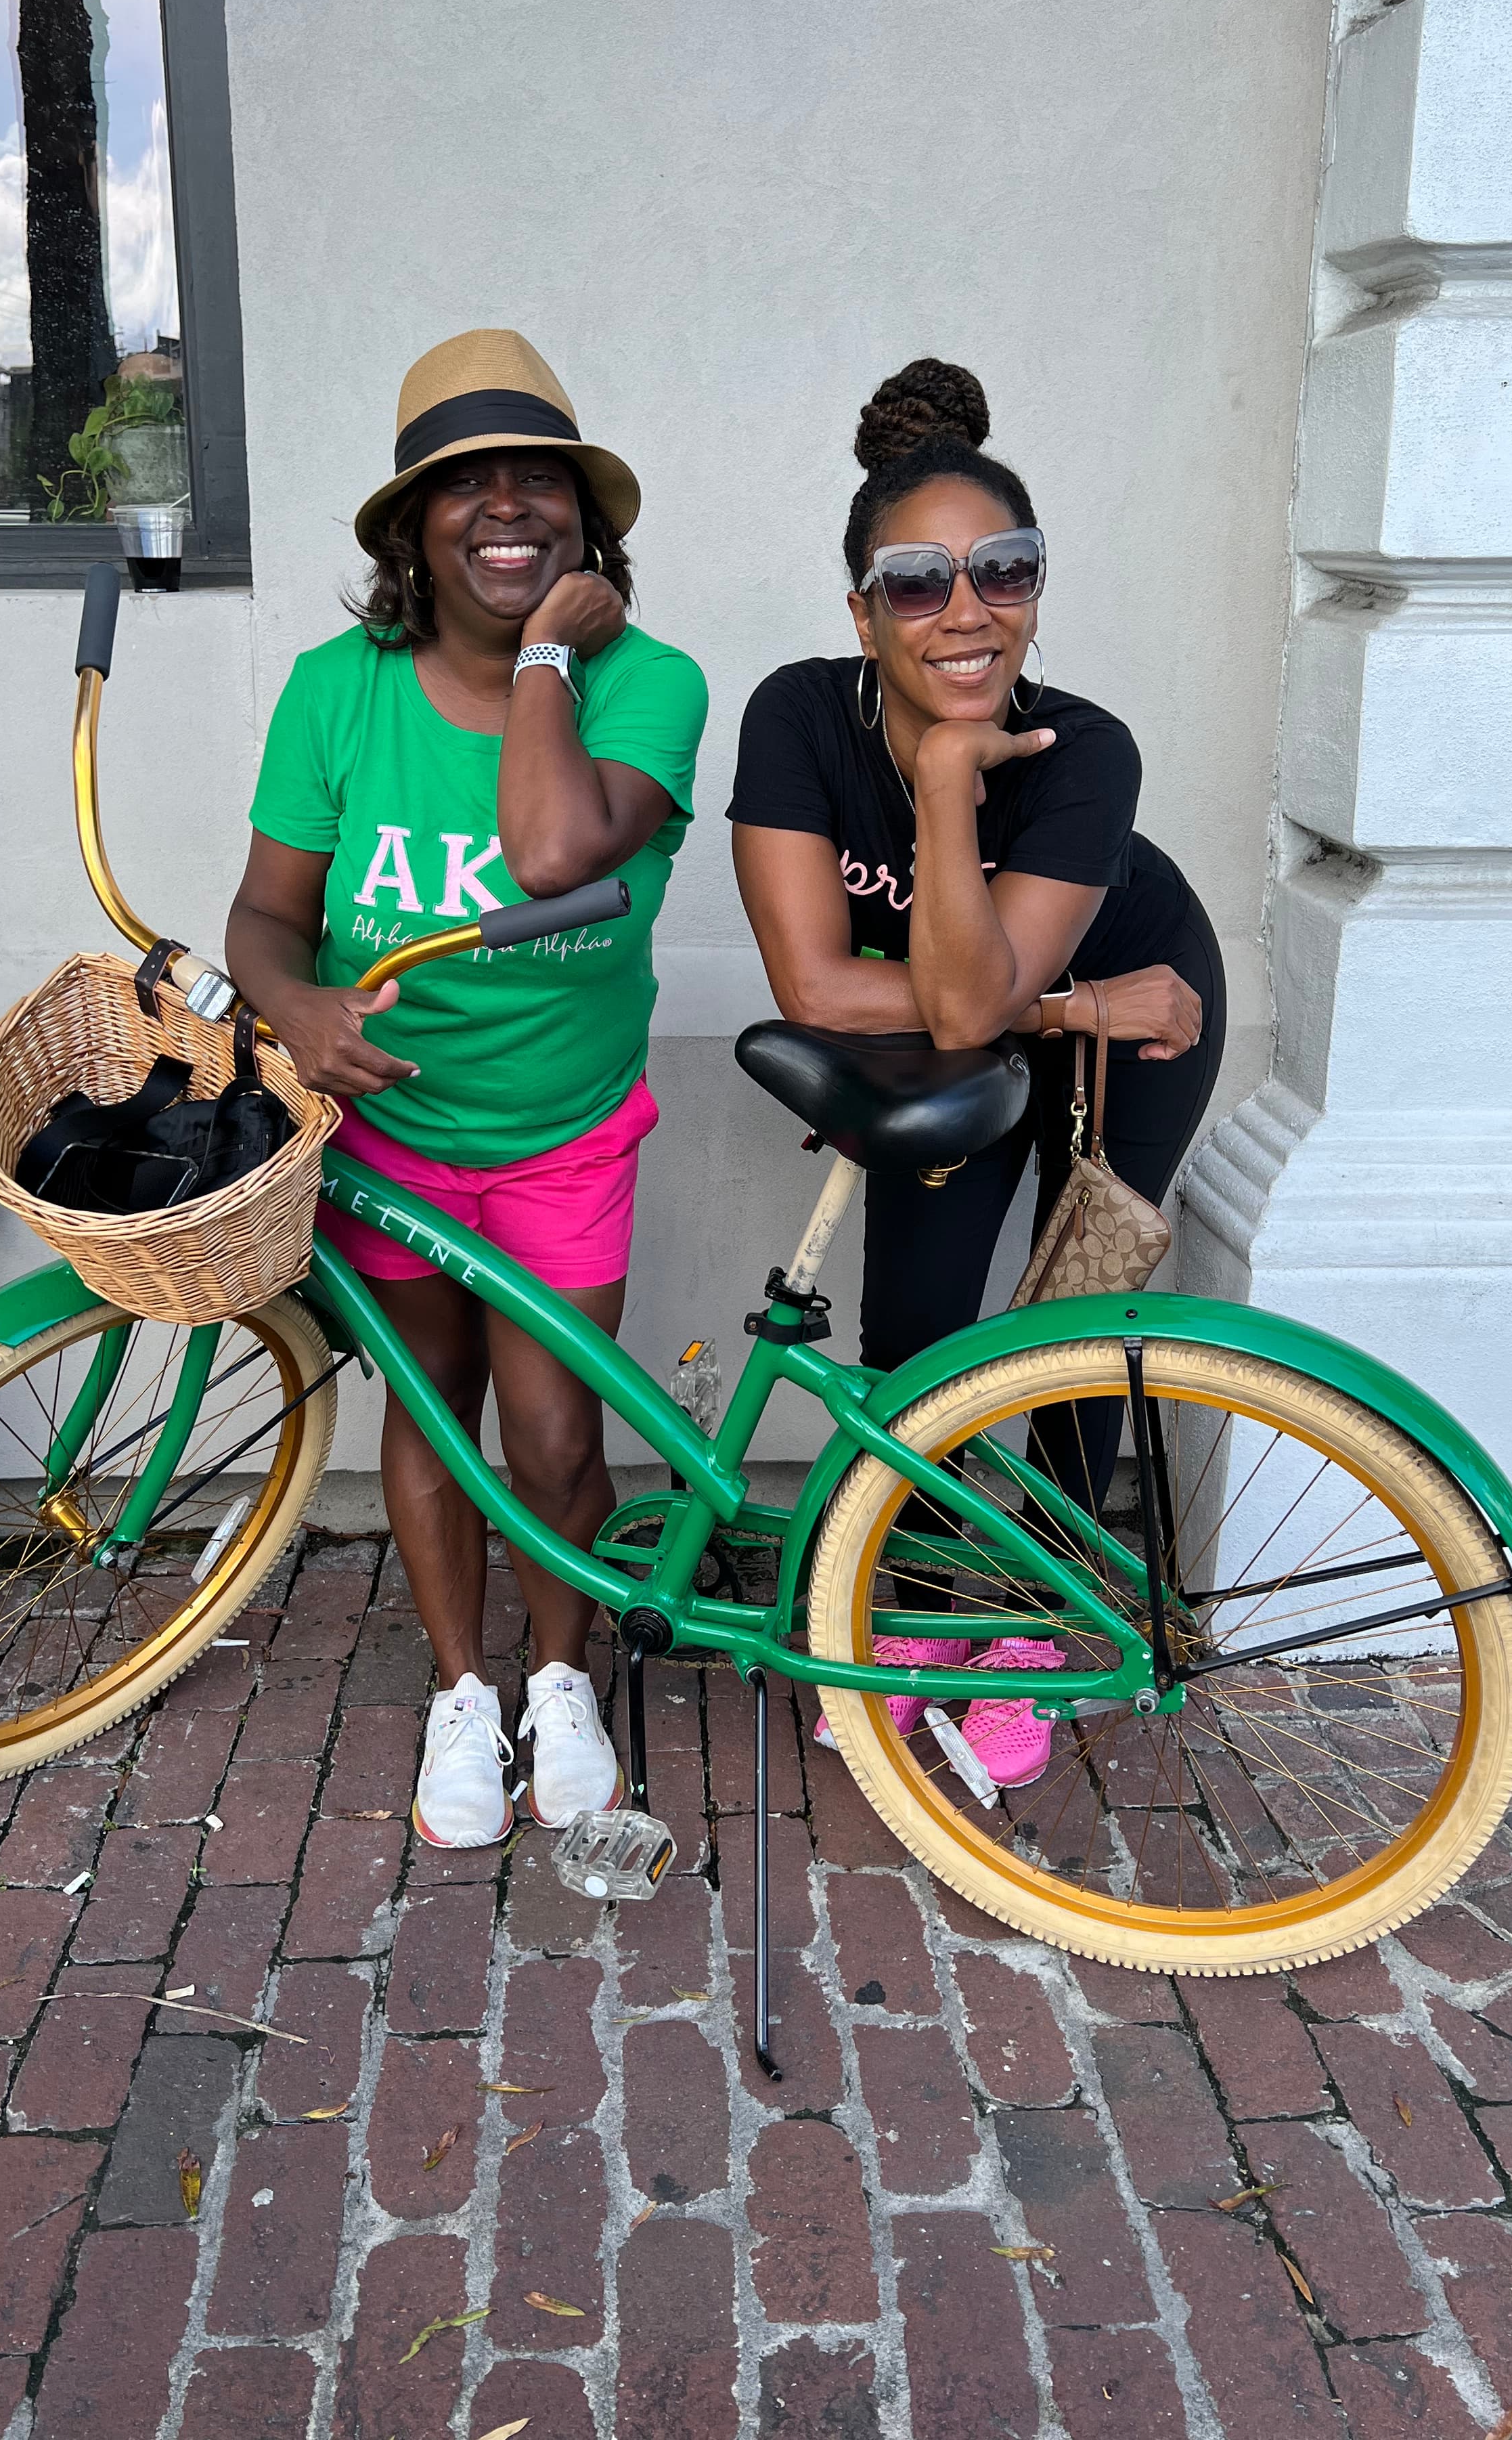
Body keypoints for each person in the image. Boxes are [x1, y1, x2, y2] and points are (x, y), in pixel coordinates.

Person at [227, 330, 707, 1848]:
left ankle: (560, 1680)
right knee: (433, 1418)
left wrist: (549, 656)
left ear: (586, 521)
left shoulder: (653, 683)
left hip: (563, 1135)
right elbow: (265, 918)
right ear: (410, 531)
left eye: (539, 482)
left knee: (555, 1438)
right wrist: (296, 1004)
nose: (507, 507)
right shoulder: (337, 692)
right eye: (464, 484)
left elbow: (558, 854)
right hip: (393, 1135)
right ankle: (460, 1690)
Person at [728, 355, 1225, 1789]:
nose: (966, 610)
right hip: (1088, 1006)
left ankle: (1036, 1624)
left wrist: (955, 788)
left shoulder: (1086, 752)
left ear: (1035, 587)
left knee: (1074, 1322)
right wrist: (1070, 1000)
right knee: (919, 1325)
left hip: (1141, 1032)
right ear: (862, 612)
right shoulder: (799, 718)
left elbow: (956, 1000)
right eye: (917, 582)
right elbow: (823, 987)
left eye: (1003, 570)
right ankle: (920, 1603)